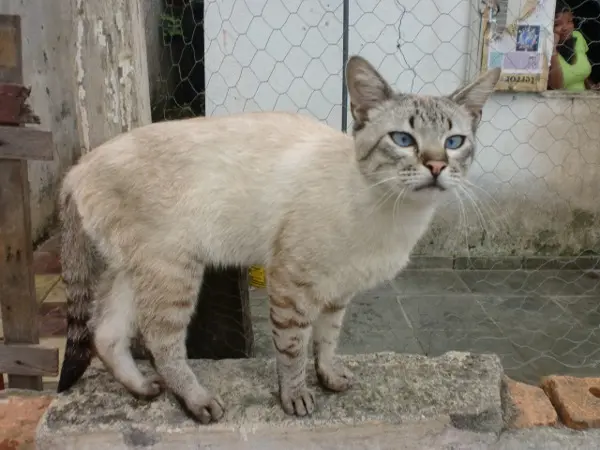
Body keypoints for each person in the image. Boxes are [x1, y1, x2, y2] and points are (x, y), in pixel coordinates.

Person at [548, 2, 599, 91]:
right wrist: (553, 49)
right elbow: (556, 87)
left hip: (584, 98)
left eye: (569, 21)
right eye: (557, 24)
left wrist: (592, 87)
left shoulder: (578, 36)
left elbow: (581, 74)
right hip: (558, 99)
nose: (565, 28)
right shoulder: (544, 48)